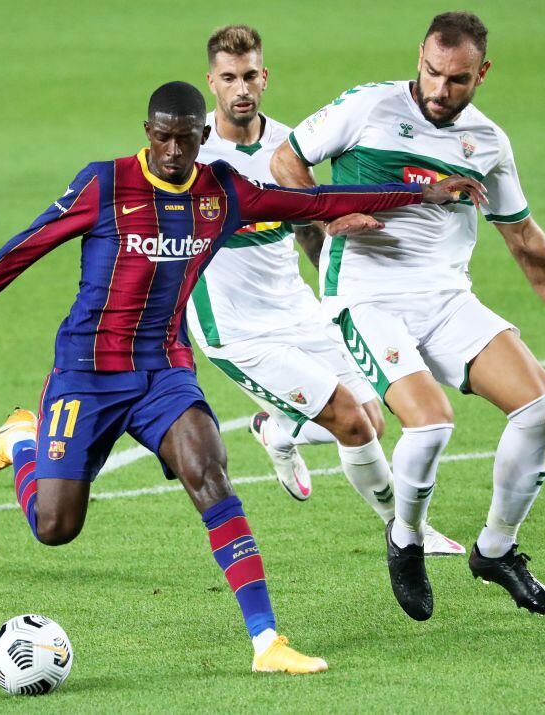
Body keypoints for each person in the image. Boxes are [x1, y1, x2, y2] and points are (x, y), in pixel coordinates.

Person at [0, 81, 485, 672]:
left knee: (211, 474)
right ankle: (22, 441)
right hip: (86, 374)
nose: (174, 153)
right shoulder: (104, 183)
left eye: (185, 141)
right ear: (148, 133)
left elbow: (317, 201)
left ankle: (267, 642)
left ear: (203, 137)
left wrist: (424, 195)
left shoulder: (222, 192)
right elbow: (20, 250)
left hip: (164, 372)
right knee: (55, 527)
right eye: (163, 139)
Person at [271, 11, 545, 620]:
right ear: (419, 56)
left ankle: (495, 550)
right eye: (432, 73)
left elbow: (524, 239)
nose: (440, 91)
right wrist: (328, 218)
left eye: (457, 81)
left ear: (482, 74)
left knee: (541, 408)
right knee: (432, 424)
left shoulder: (487, 142)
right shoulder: (367, 107)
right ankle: (405, 539)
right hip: (365, 296)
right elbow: (287, 160)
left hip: (445, 300)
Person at [187, 25, 463, 555]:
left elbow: (310, 223)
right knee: (351, 425)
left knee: (373, 420)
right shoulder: (191, 149)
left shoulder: (286, 145)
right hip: (235, 326)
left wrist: (331, 299)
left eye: (249, 76)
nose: (240, 88)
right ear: (212, 82)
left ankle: (276, 430)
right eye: (228, 78)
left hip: (296, 305)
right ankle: (405, 531)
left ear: (264, 78)